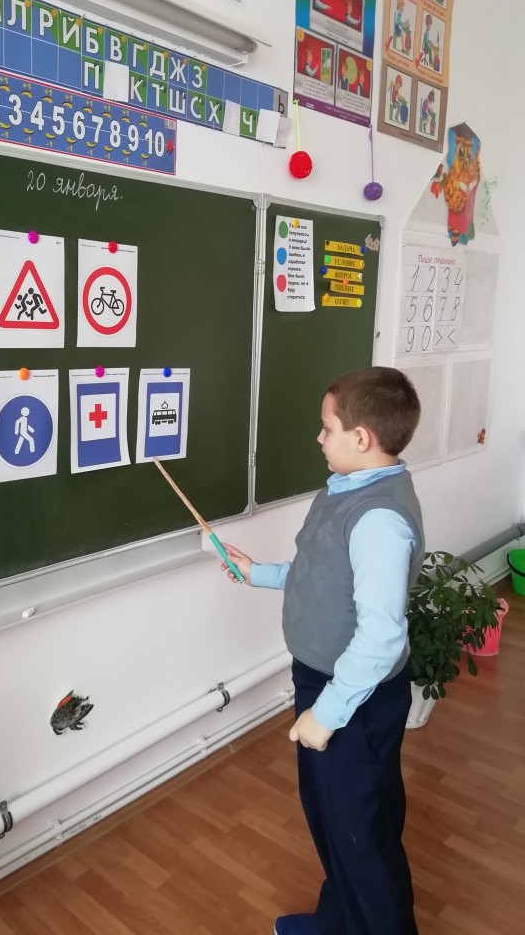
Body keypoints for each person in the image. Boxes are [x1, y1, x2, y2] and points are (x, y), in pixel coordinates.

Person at [222, 367, 424, 935]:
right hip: (327, 685)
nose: (319, 437)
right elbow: (321, 576)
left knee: (362, 838)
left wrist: (327, 714)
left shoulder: (378, 520)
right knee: (336, 823)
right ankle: (337, 921)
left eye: (326, 427)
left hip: (352, 700)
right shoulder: (346, 490)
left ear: (361, 438)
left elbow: (381, 637)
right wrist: (255, 572)